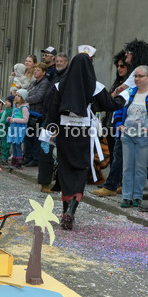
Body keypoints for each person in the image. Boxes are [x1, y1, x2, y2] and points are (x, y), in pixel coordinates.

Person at [45, 50, 115, 230]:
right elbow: (109, 104)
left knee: (65, 171)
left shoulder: (60, 85)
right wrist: (124, 95)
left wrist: (46, 136)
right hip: (83, 134)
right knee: (79, 172)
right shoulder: (96, 86)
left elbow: (52, 113)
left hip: (64, 133)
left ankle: (65, 211)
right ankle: (72, 210)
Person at [96, 53, 130, 197]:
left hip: (121, 124)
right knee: (113, 154)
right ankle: (115, 182)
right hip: (110, 122)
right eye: (118, 66)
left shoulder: (129, 84)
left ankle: (118, 184)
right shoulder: (117, 83)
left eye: (122, 66)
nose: (119, 68)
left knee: (120, 156)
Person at [115, 66, 148, 207]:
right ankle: (127, 197)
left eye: (140, 76)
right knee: (127, 167)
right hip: (127, 135)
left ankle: (137, 197)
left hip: (143, 137)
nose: (137, 79)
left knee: (140, 167)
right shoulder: (129, 93)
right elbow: (118, 108)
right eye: (135, 76)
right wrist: (118, 124)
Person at [38, 53, 69, 191]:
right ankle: (44, 182)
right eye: (57, 61)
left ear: (67, 62)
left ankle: (54, 182)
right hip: (48, 118)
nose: (59, 63)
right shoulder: (54, 75)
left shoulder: (67, 77)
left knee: (54, 152)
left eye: (61, 61)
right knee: (45, 150)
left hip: (58, 121)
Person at [22, 63, 50, 166]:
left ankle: (35, 159)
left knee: (35, 137)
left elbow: (39, 97)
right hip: (29, 112)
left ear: (43, 72)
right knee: (28, 136)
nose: (35, 72)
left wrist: (25, 100)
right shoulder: (33, 82)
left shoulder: (45, 83)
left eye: (38, 70)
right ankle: (27, 156)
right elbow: (26, 92)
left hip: (38, 114)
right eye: (34, 70)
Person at [6, 90, 29, 168]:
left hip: (19, 128)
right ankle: (14, 161)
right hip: (13, 127)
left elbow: (25, 120)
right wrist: (10, 118)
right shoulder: (15, 106)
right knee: (14, 144)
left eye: (18, 96)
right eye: (16, 95)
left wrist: (14, 120)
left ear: (23, 98)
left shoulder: (24, 107)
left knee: (18, 145)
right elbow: (14, 116)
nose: (16, 97)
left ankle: (18, 162)